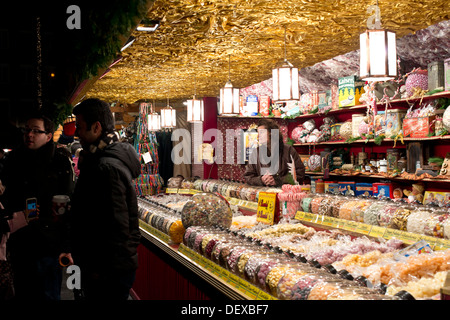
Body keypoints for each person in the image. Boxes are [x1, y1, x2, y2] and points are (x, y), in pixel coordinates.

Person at [60, 98, 141, 300]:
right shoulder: (98, 159)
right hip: (103, 268)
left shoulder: (106, 167)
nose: (76, 132)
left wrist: (99, 270)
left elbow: (117, 228)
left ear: (96, 127)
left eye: (80, 126)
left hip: (107, 272)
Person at [0, 111, 75, 300]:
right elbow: (7, 198)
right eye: (27, 130)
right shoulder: (13, 160)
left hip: (48, 244)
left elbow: (67, 206)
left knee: (48, 294)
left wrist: (65, 244)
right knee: (23, 292)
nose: (29, 134)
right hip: (20, 242)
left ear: (48, 136)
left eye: (35, 131)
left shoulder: (59, 162)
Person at [244, 119, 305, 187]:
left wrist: (278, 181)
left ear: (272, 133)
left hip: (284, 195)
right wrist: (261, 180)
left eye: (261, 132)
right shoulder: (255, 153)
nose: (258, 136)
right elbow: (248, 177)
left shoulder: (289, 150)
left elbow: (300, 174)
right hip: (263, 195)